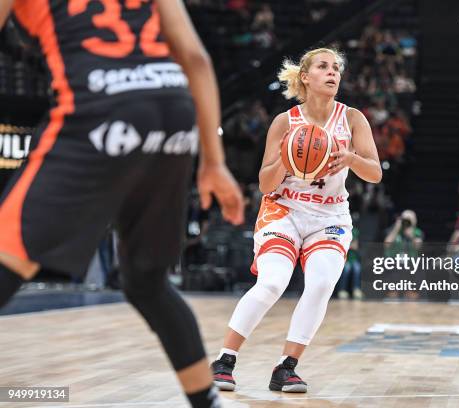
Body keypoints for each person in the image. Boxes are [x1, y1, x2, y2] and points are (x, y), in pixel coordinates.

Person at [0, 1, 245, 407]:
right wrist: (214, 163)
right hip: (173, 115)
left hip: (98, 110)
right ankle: (207, 400)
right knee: (147, 282)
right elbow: (196, 58)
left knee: (8, 256)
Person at [211, 47, 382, 393]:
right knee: (273, 283)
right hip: (284, 210)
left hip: (330, 214)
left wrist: (350, 157)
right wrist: (288, 161)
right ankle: (224, 360)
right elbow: (264, 183)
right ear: (306, 77)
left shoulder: (352, 119)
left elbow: (375, 173)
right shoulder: (285, 122)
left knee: (320, 284)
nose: (333, 72)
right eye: (323, 67)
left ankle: (286, 367)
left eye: (336, 68)